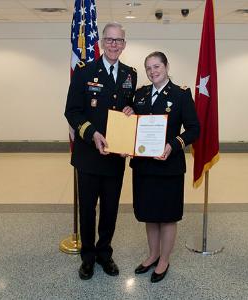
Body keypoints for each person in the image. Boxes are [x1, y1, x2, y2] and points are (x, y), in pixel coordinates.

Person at [64, 22, 137, 280]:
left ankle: (105, 253)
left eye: (118, 41)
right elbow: (72, 111)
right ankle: (88, 256)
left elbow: (129, 109)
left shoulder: (131, 74)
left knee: (110, 208)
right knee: (87, 209)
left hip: (115, 157)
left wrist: (132, 111)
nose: (114, 44)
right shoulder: (84, 72)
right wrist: (92, 133)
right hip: (88, 155)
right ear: (102, 43)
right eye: (109, 40)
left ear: (124, 44)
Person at [130, 51, 200, 283]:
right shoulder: (139, 95)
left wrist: (173, 145)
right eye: (148, 68)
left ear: (166, 66)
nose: (152, 71)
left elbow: (193, 129)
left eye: (157, 66)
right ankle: (152, 255)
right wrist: (128, 112)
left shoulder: (181, 94)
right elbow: (132, 125)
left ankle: (164, 260)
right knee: (150, 214)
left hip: (168, 166)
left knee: (167, 216)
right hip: (144, 166)